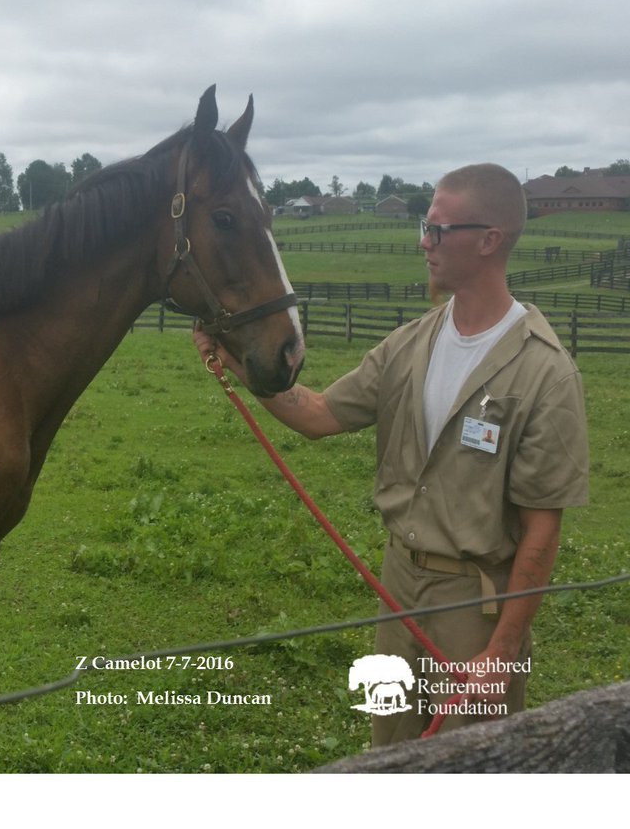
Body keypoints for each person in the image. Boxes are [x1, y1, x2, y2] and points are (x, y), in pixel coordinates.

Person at [195, 163, 589, 745]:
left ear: (489, 240)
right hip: (397, 586)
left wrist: (502, 651)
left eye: (437, 230)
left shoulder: (544, 372)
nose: (423, 243)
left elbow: (541, 528)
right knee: (391, 758)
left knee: (470, 767)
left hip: (472, 606)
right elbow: (319, 413)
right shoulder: (412, 342)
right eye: (423, 228)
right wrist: (237, 359)